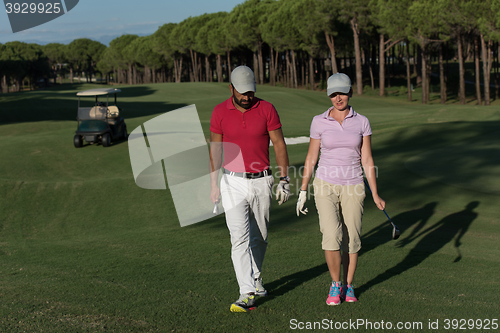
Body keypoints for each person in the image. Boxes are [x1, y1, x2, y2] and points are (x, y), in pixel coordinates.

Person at [296, 73, 385, 306]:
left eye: (342, 93)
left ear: (350, 93)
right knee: (331, 234)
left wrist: (375, 193)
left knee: (352, 238)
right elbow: (311, 157)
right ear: (328, 95)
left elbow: (367, 159)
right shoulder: (319, 121)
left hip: (354, 185)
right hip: (325, 184)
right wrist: (303, 189)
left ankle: (349, 284)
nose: (338, 98)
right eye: (333, 94)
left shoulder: (362, 121)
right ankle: (336, 284)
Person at [209, 66, 290, 313]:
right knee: (239, 239)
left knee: (260, 237)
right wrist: (213, 183)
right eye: (242, 92)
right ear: (231, 88)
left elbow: (278, 143)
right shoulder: (219, 112)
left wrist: (284, 179)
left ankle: (256, 278)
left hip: (262, 180)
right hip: (232, 181)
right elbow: (215, 149)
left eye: (251, 92)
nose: (247, 97)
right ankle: (247, 292)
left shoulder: (266, 109)